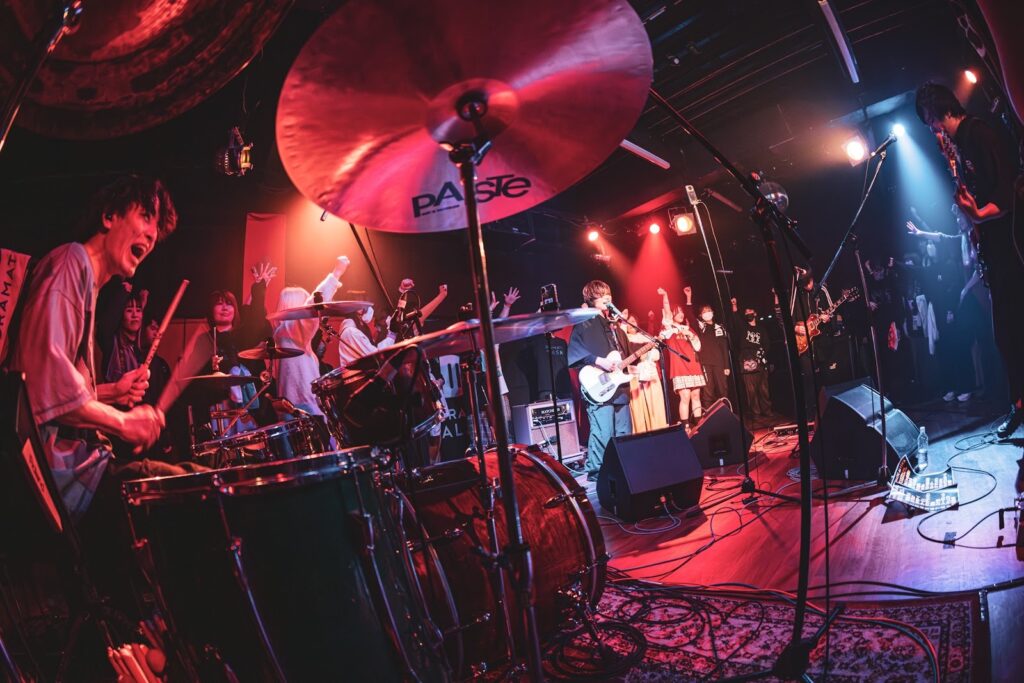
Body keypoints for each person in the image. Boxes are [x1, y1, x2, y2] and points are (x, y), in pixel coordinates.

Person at [7, 175, 177, 518]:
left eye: (157, 229)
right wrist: (124, 423)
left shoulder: (88, 284)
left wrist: (114, 392)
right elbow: (42, 387)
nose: (152, 235)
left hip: (70, 472)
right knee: (186, 487)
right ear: (109, 216)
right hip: (55, 478)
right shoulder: (72, 262)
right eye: (146, 216)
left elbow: (60, 390)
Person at [915, 82, 1024, 437]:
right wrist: (975, 224)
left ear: (934, 113)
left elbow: (1007, 194)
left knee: (1013, 329)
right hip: (995, 248)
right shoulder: (959, 146)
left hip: (1011, 245)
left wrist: (977, 215)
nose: (933, 131)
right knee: (1005, 334)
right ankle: (1018, 404)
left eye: (930, 122)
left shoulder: (978, 134)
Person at [568, 280, 633, 481]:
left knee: (624, 432)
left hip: (620, 387)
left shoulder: (616, 327)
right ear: (591, 299)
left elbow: (626, 354)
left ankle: (625, 469)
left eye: (608, 294)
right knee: (603, 432)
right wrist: (598, 361)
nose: (607, 297)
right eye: (601, 295)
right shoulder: (584, 323)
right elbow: (575, 352)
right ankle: (597, 472)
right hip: (599, 387)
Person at [271, 256, 349, 415]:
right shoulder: (288, 331)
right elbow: (312, 306)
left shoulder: (286, 336)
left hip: (297, 408)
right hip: (303, 409)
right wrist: (336, 274)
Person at [659, 287, 704, 429]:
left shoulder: (688, 328)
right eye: (677, 311)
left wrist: (690, 334)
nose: (681, 314)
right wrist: (665, 295)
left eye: (682, 312)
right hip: (679, 368)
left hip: (694, 366)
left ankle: (699, 424)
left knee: (696, 396)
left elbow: (698, 347)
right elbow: (667, 311)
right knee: (685, 397)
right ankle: (685, 426)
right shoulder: (669, 328)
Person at [620, 310, 667, 433]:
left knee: (654, 403)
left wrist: (649, 355)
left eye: (634, 321)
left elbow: (656, 354)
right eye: (629, 321)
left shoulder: (646, 337)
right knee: (637, 405)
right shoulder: (623, 338)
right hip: (634, 374)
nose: (632, 323)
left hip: (650, 373)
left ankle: (659, 430)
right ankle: (640, 433)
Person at [693, 301, 731, 408]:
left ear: (713, 312)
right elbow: (690, 316)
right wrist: (689, 300)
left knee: (723, 389)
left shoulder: (719, 327)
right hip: (705, 363)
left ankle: (725, 411)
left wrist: (726, 366)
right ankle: (708, 413)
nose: (707, 313)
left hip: (719, 363)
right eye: (704, 312)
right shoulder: (700, 327)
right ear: (700, 315)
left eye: (709, 311)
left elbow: (724, 347)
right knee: (708, 390)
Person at [738, 306, 773, 421]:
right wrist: (734, 307)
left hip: (760, 361)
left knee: (764, 388)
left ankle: (767, 410)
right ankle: (756, 413)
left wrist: (761, 355)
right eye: (746, 312)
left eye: (750, 312)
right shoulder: (742, 328)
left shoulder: (761, 329)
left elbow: (767, 344)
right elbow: (735, 319)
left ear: (755, 313)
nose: (748, 314)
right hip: (747, 361)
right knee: (751, 390)